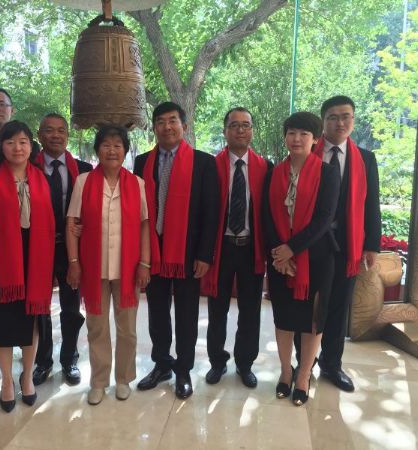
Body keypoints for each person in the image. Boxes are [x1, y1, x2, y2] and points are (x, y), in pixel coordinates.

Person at [134, 102, 219, 399]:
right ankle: (162, 364)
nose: (167, 127)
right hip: (153, 250)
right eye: (160, 121)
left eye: (173, 120)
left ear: (184, 125)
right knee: (156, 312)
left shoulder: (203, 163)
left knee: (186, 314)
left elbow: (211, 213)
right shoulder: (142, 162)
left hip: (188, 251)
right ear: (154, 127)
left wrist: (205, 255)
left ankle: (183, 369)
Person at [66, 125, 150, 405]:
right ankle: (99, 382)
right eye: (106, 145)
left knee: (127, 330)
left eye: (117, 145)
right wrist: (74, 262)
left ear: (125, 151)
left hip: (128, 269)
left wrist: (145, 263)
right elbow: (72, 223)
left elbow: (144, 226)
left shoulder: (137, 183)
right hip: (94, 269)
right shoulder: (83, 182)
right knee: (97, 328)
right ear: (97, 150)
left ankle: (123, 379)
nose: (112, 150)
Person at [0, 120, 55, 412]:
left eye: (23, 142)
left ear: (31, 146)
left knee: (31, 321)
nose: (17, 148)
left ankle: (27, 376)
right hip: (2, 264)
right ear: (2, 146)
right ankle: (7, 381)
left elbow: (53, 226)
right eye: (10, 142)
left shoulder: (43, 178)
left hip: (36, 262)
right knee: (3, 323)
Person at [303, 96, 381, 392]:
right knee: (308, 305)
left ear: (353, 120)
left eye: (345, 116)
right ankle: (304, 363)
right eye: (333, 117)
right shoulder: (308, 152)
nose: (340, 122)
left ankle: (331, 364)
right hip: (313, 243)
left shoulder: (365, 159)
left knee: (338, 305)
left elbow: (371, 204)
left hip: (348, 243)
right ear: (323, 122)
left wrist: (371, 245)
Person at [263, 111, 340, 406]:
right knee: (283, 319)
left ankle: (304, 375)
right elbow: (266, 215)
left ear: (315, 139)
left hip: (317, 259)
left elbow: (324, 219)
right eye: (292, 133)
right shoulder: (273, 172)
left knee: (312, 321)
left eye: (304, 134)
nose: (297, 139)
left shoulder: (328, 173)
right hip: (280, 259)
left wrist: (291, 249)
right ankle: (286, 372)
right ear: (285, 136)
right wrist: (279, 253)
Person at [201, 107, 272, 388]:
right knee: (217, 309)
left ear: (252, 130)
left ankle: (245, 363)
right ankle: (217, 361)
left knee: (250, 311)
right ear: (225, 130)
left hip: (251, 248)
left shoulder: (265, 167)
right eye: (234, 125)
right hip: (221, 248)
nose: (240, 130)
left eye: (246, 125)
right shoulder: (211, 166)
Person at [32, 113, 92, 386]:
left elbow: (91, 209)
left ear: (67, 135)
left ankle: (69, 358)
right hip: (38, 248)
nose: (55, 135)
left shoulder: (83, 169)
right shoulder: (28, 167)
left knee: (71, 307)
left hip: (71, 249)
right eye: (49, 130)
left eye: (61, 130)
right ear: (39, 135)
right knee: (39, 306)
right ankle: (43, 361)